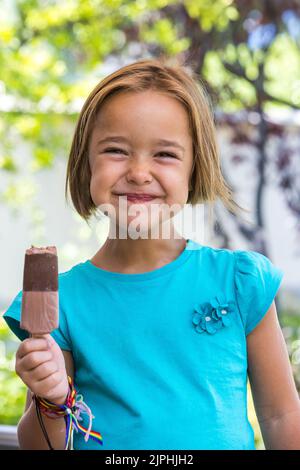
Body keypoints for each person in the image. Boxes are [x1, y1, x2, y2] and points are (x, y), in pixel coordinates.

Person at [3, 57, 300, 450]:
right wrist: (52, 397)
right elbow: (43, 446)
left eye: (164, 154)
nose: (140, 172)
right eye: (116, 150)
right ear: (85, 163)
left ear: (195, 168)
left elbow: (282, 416)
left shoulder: (239, 282)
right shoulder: (62, 303)